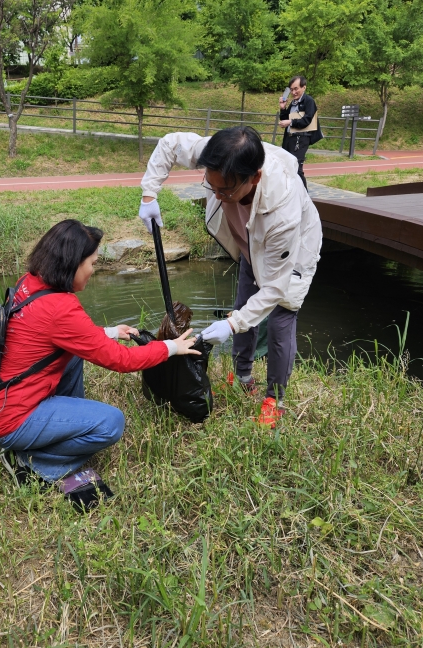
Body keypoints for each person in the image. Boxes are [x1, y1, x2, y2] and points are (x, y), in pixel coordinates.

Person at [0, 219, 199, 508]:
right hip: (9, 420)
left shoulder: (30, 282)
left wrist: (109, 333)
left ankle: (45, 437)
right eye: (92, 263)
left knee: (74, 357)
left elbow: (65, 337)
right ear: (73, 264)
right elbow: (122, 360)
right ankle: (36, 462)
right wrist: (171, 347)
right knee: (111, 424)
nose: (93, 270)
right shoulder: (60, 308)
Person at [138, 126, 322, 428]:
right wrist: (149, 193)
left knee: (280, 319)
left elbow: (275, 287)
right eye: (213, 187)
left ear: (255, 178)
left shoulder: (282, 212)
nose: (219, 196)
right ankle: (243, 375)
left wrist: (231, 324)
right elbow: (170, 144)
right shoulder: (219, 153)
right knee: (243, 304)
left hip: (291, 252)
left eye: (227, 191)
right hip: (249, 242)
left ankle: (274, 398)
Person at [278, 75, 323, 189]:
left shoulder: (308, 101)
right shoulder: (293, 103)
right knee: (285, 166)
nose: (293, 92)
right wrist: (283, 108)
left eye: (296, 88)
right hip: (289, 138)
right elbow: (284, 119)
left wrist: (290, 122)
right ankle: (290, 193)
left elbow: (307, 120)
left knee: (296, 168)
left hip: (301, 138)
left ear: (304, 87)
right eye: (291, 89)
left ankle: (304, 197)